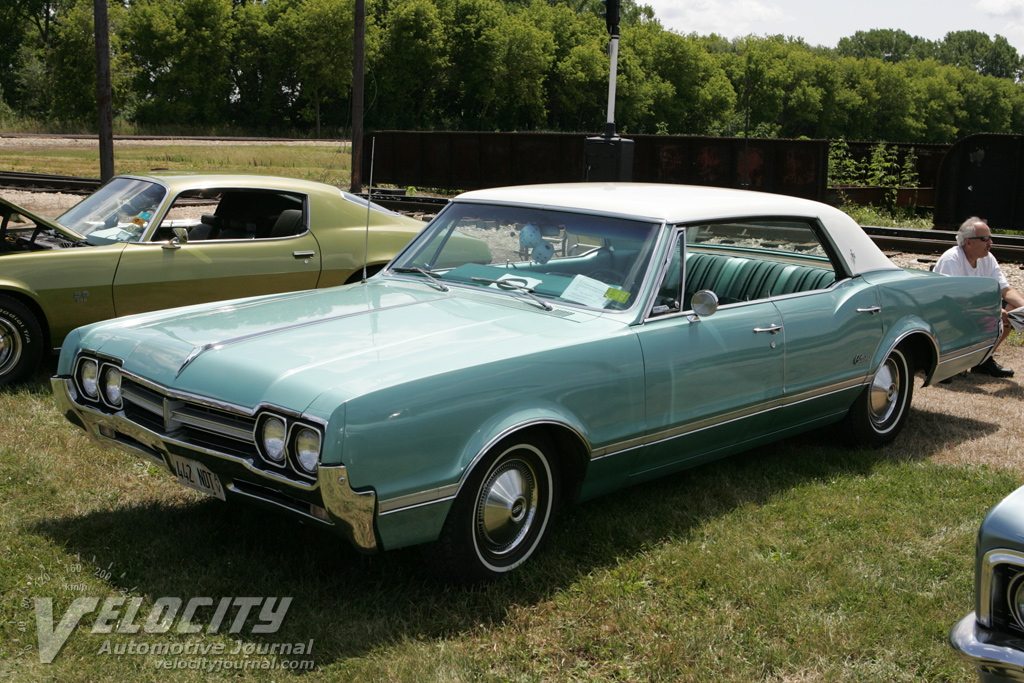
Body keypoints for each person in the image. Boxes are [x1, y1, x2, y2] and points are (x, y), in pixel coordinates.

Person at [934, 217, 1024, 378]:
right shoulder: (952, 258)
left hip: (973, 309)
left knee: (1013, 308)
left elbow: (1005, 290)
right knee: (999, 314)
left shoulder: (987, 258)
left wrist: (1023, 307)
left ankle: (983, 360)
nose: (991, 243)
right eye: (985, 239)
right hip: (949, 312)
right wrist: (994, 311)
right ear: (969, 242)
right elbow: (955, 300)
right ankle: (955, 361)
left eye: (990, 238)